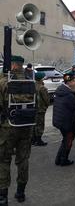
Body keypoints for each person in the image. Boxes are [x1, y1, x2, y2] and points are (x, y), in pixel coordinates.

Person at [0, 56, 36, 205]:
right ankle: (20, 193)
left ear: (13, 65)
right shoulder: (31, 81)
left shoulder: (4, 82)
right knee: (23, 160)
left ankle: (3, 198)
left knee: (3, 161)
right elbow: (36, 105)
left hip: (8, 127)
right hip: (26, 126)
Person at [53, 73, 75, 166]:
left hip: (59, 119)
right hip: (67, 121)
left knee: (65, 139)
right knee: (68, 140)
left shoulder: (60, 90)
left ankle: (58, 159)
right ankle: (63, 159)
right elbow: (74, 108)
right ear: (69, 82)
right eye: (74, 81)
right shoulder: (69, 95)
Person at [32, 72, 50, 146]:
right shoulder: (42, 88)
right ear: (41, 78)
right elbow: (46, 100)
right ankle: (38, 140)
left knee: (34, 124)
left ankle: (33, 140)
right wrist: (46, 105)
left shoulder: (33, 85)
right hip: (40, 109)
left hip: (33, 108)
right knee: (40, 124)